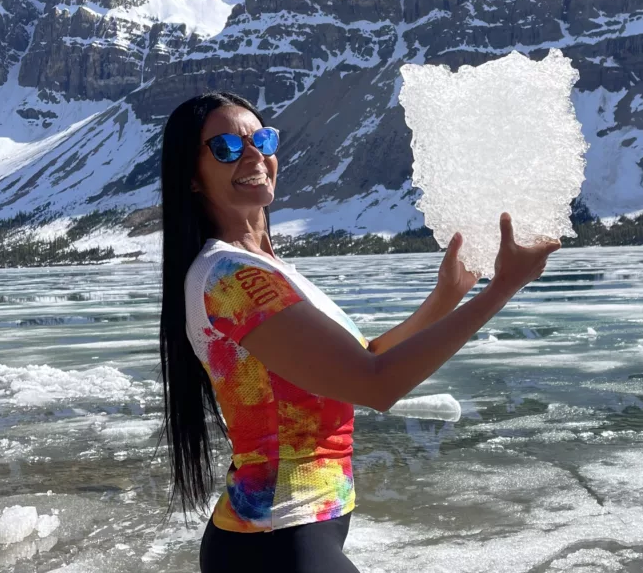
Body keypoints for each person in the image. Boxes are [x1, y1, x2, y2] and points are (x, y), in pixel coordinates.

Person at [159, 91, 560, 573]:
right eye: (225, 147)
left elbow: (361, 355)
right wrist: (503, 287)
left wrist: (445, 299)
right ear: (192, 178)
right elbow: (375, 382)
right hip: (276, 544)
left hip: (290, 535)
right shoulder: (232, 279)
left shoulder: (264, 267)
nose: (253, 155)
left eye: (261, 139)